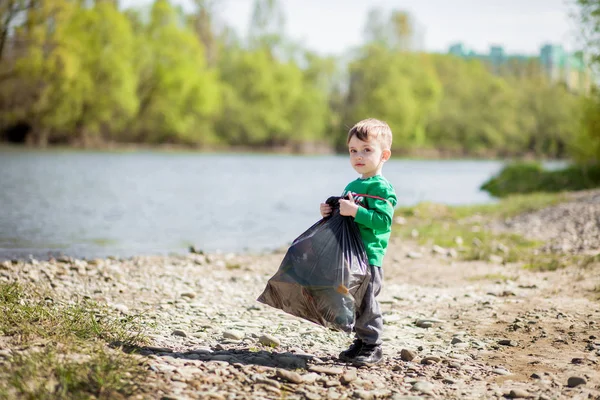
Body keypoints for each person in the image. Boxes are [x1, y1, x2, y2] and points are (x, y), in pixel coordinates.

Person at [319, 118, 397, 366]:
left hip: (369, 256)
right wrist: (330, 211)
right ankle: (361, 341)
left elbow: (383, 221)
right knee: (351, 300)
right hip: (350, 254)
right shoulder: (353, 185)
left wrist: (355, 211)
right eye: (353, 151)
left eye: (366, 150)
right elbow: (346, 216)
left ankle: (373, 344)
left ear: (384, 155)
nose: (358, 156)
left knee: (367, 301)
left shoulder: (383, 188)